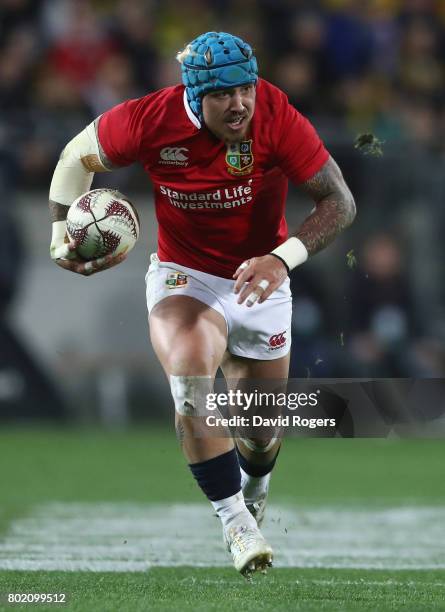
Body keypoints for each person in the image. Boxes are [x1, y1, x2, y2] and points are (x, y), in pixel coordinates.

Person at [48, 31, 356, 577]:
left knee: (259, 435)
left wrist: (281, 259)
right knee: (191, 379)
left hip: (263, 279)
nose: (239, 104)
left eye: (245, 90)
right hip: (184, 276)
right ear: (193, 94)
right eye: (222, 95)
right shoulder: (149, 119)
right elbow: (77, 155)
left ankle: (254, 490)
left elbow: (339, 201)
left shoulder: (275, 113)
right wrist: (58, 234)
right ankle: (236, 523)